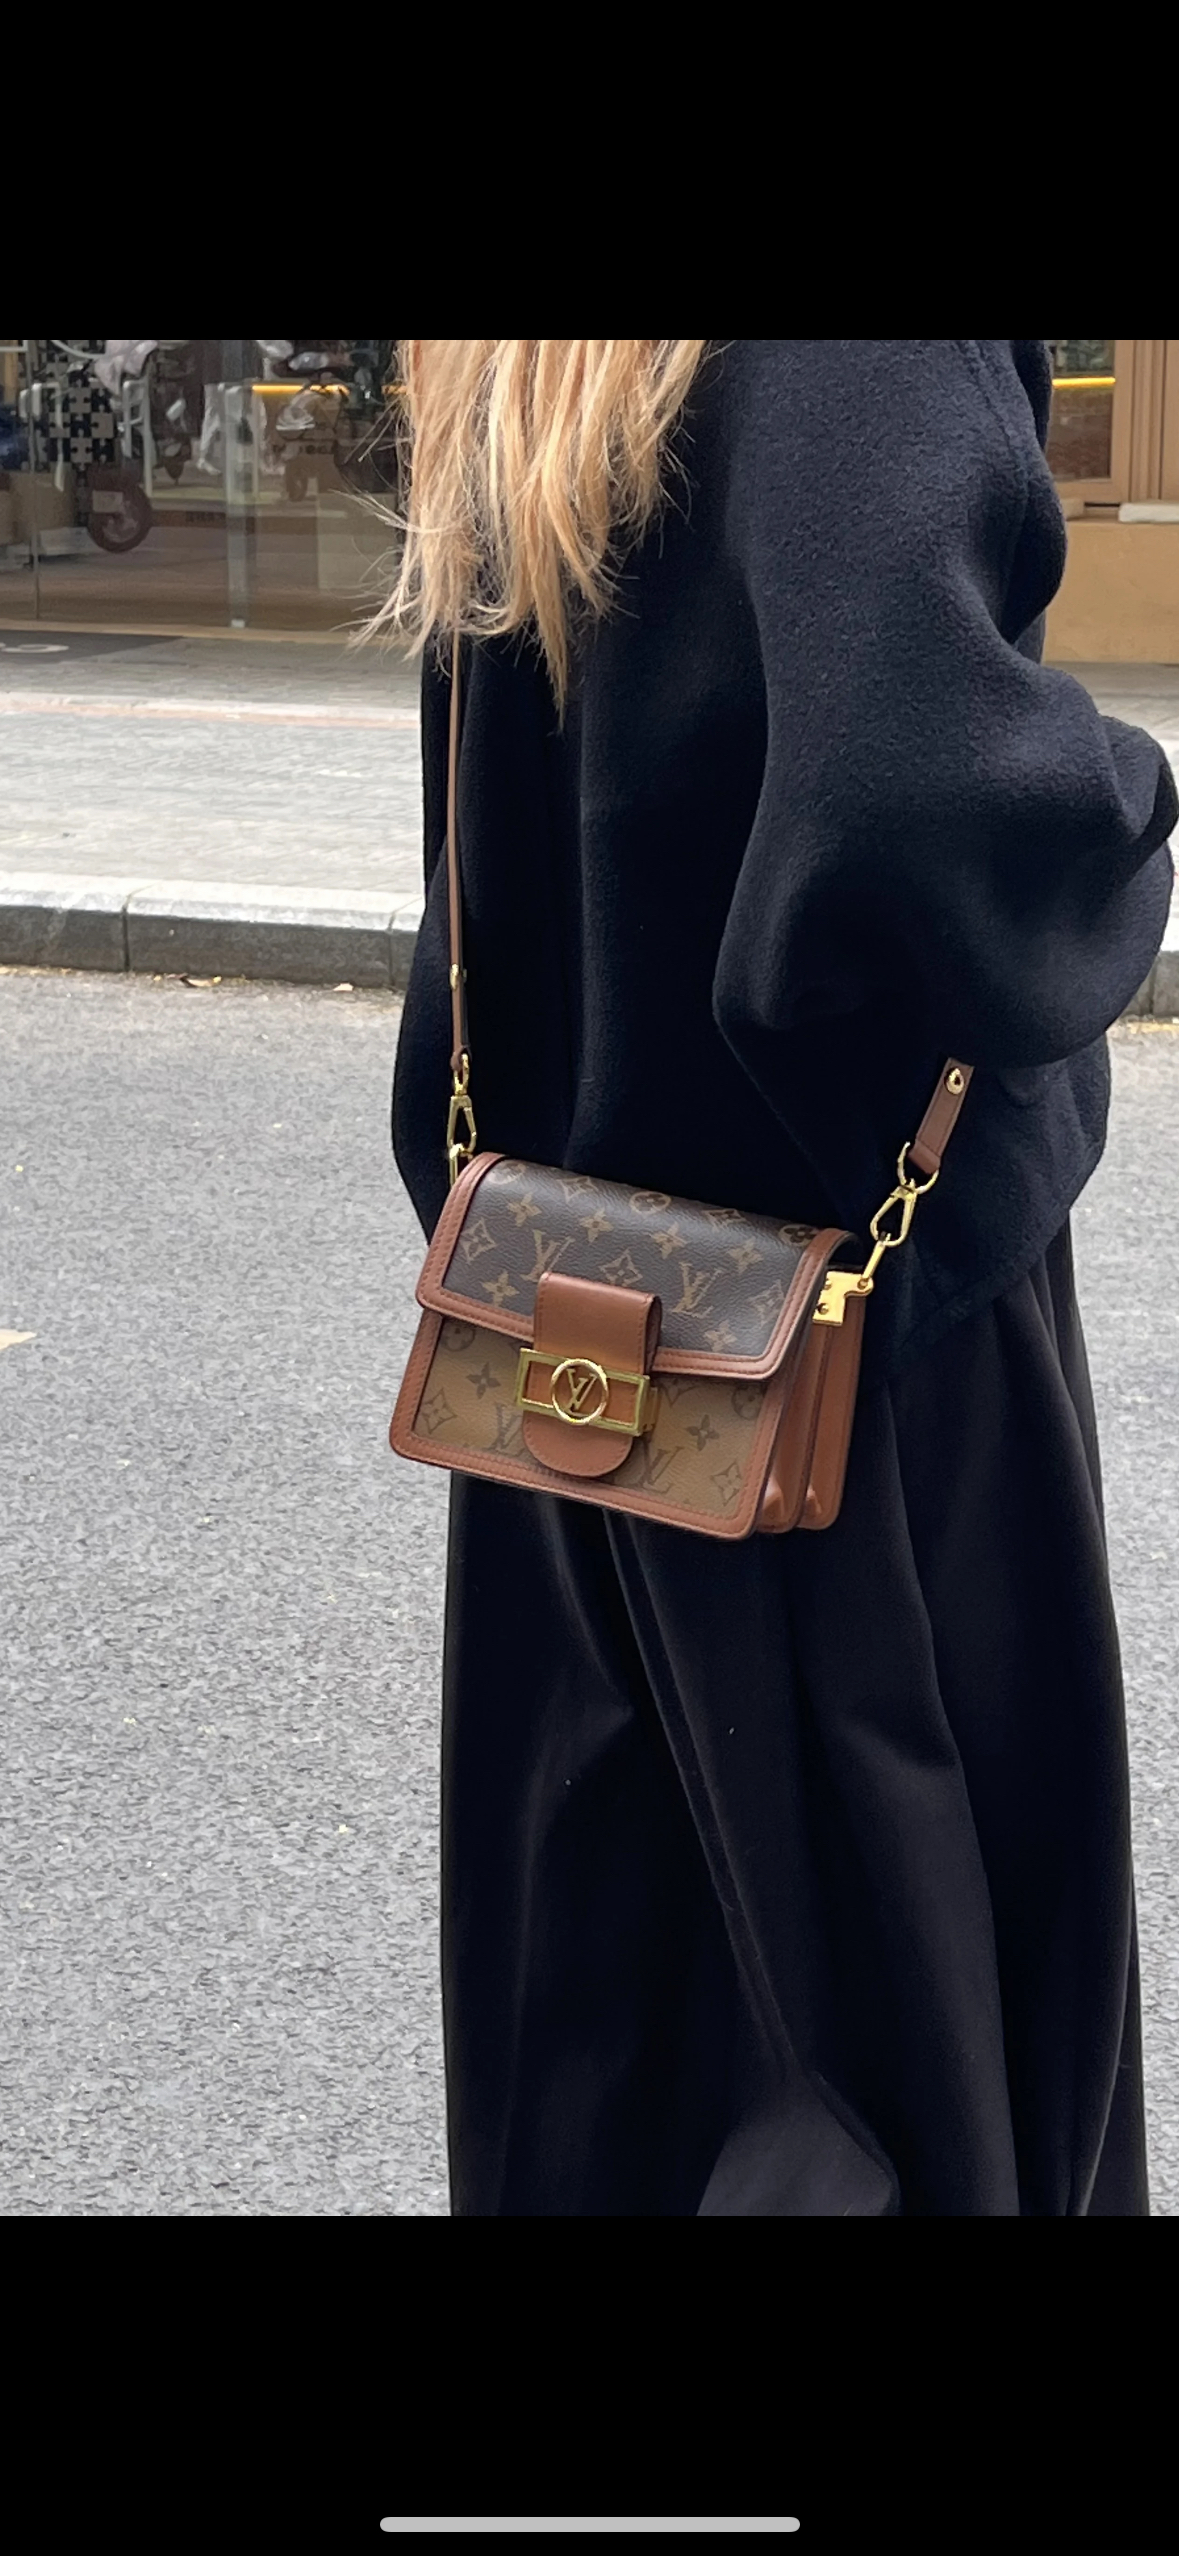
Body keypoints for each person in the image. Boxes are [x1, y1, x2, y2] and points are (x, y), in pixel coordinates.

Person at [381, 340, 1176, 2216]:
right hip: (851, 1364)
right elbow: (915, 781)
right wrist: (1118, 809)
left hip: (568, 1330)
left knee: (613, 2026)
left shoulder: (530, 364)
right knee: (906, 2041)